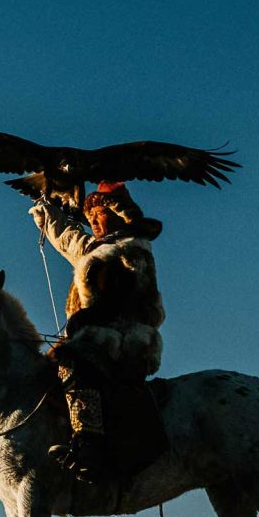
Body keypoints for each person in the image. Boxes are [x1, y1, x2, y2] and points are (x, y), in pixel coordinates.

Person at [30, 181, 165, 481]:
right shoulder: (93, 248)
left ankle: (88, 448)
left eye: (100, 213)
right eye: (90, 214)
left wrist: (78, 329)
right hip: (92, 338)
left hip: (126, 340)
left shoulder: (133, 251)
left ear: (119, 214)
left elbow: (119, 300)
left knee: (73, 366)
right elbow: (67, 238)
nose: (92, 219)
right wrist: (47, 208)